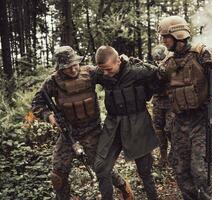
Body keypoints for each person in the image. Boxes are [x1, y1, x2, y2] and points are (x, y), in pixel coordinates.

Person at [31, 46, 133, 200]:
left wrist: (122, 63)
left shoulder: (91, 72)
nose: (73, 69)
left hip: (92, 130)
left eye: (74, 64)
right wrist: (49, 116)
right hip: (68, 133)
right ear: (60, 67)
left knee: (101, 168)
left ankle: (123, 186)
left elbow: (113, 75)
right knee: (58, 174)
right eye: (67, 67)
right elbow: (37, 103)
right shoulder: (52, 81)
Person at [158, 16, 212, 200]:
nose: (163, 41)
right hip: (179, 122)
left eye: (166, 37)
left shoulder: (204, 54)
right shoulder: (168, 62)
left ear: (178, 36)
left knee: (201, 171)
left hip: (201, 121)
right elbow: (155, 81)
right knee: (180, 170)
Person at [93, 46, 168, 200]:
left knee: (145, 171)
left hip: (137, 124)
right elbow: (83, 74)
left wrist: (138, 62)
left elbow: (160, 73)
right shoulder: (101, 73)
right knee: (101, 168)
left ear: (119, 61)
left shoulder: (136, 72)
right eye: (102, 69)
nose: (105, 73)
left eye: (108, 68)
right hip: (113, 125)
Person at [151, 45, 173, 167]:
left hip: (171, 103)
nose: (159, 62)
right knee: (159, 131)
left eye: (161, 59)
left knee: (170, 130)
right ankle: (163, 157)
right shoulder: (153, 69)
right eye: (157, 60)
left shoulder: (172, 64)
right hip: (158, 102)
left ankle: (174, 154)